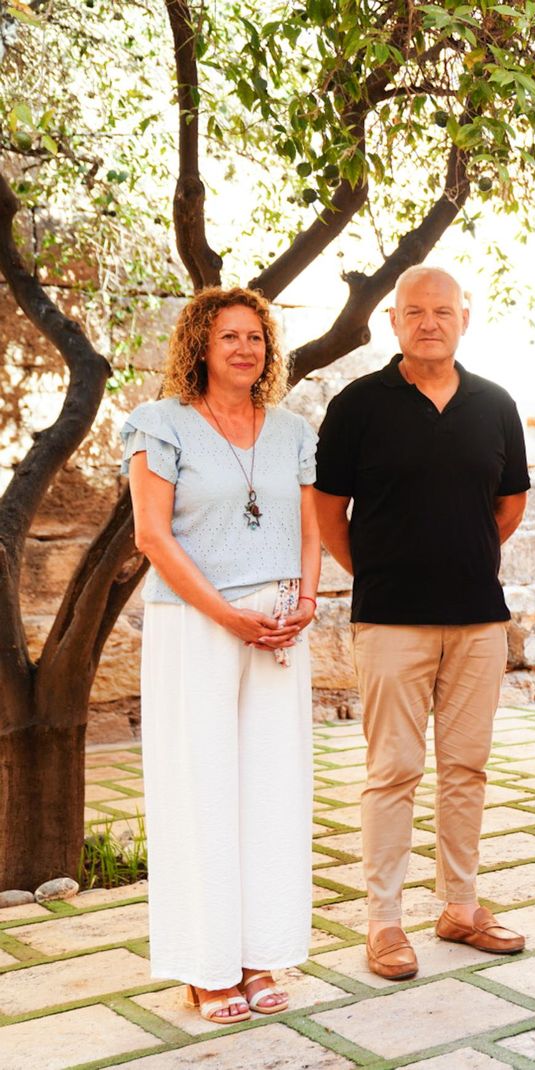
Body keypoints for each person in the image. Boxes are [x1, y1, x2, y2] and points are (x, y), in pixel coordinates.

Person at [313, 265, 530, 978]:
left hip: (477, 622)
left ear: (464, 318)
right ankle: (382, 923)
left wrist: (458, 560)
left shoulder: (495, 405)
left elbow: (508, 506)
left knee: (466, 768)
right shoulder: (356, 407)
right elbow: (326, 514)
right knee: (393, 770)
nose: (429, 321)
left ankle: (460, 907)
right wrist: (382, 573)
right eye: (415, 311)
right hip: (391, 623)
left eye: (442, 309)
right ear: (395, 323)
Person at [123, 287, 319, 1022]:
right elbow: (153, 537)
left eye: (256, 337)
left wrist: (305, 602)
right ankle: (207, 967)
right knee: (200, 788)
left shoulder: (294, 430)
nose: (245, 348)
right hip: (197, 622)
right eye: (229, 336)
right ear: (201, 345)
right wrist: (227, 616)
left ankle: (262, 955)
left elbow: (307, 531)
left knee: (272, 789)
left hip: (279, 624)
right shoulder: (158, 425)